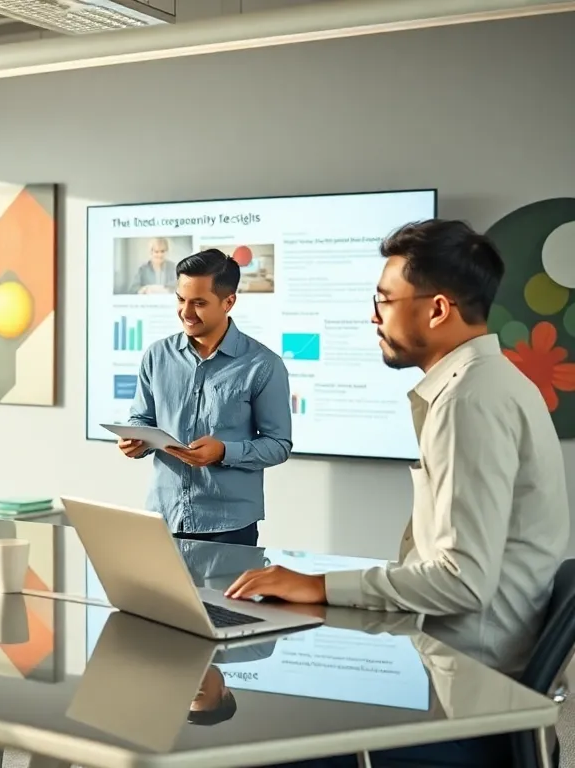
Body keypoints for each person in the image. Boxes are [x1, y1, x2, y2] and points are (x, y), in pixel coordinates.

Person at [225, 219, 569, 767]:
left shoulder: (471, 401)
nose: (372, 316)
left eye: (384, 300)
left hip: (466, 698)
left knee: (257, 746)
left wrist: (317, 584)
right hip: (452, 673)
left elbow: (461, 582)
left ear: (436, 309)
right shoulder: (486, 384)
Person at [118, 249, 292, 546]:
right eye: (181, 299)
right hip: (163, 517)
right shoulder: (157, 355)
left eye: (199, 303)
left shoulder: (263, 365)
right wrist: (135, 441)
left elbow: (278, 446)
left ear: (229, 302)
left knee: (218, 596)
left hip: (229, 527)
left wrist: (224, 451)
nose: (186, 312)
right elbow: (142, 418)